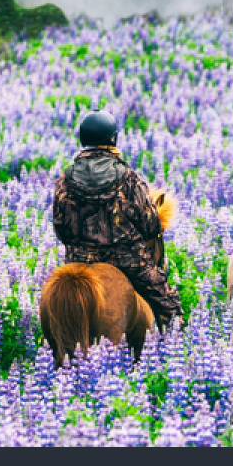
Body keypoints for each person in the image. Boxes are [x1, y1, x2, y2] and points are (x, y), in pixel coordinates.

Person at [52, 111, 182, 328]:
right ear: (112, 139)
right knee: (168, 303)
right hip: (127, 260)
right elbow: (150, 224)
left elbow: (60, 227)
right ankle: (172, 338)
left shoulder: (66, 178)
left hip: (79, 259)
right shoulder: (127, 176)